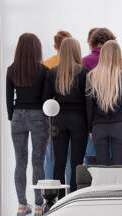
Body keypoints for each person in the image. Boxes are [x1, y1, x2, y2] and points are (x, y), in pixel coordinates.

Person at [6, 33, 49, 216]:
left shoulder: (11, 70)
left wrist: (13, 117)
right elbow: (46, 99)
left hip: (17, 116)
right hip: (38, 114)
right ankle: (39, 206)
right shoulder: (44, 70)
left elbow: (9, 99)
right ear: (36, 49)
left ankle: (22, 205)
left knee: (20, 161)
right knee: (38, 160)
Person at [43, 38, 88, 196]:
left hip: (58, 120)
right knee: (77, 163)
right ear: (76, 51)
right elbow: (88, 101)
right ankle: (74, 197)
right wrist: (89, 124)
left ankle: (60, 200)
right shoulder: (83, 72)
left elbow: (46, 101)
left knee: (59, 163)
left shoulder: (52, 72)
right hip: (79, 121)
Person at [86, 40, 122, 165]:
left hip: (98, 127)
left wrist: (90, 128)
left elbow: (89, 107)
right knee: (119, 167)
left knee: (102, 168)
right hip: (120, 125)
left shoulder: (91, 76)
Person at [82, 28, 116, 165]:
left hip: (95, 116)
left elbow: (84, 91)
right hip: (116, 114)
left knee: (91, 156)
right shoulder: (117, 60)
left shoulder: (86, 61)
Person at [43, 31, 72, 185]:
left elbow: (44, 96)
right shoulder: (77, 65)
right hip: (72, 117)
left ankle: (49, 194)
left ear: (55, 45)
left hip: (51, 118)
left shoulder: (47, 64)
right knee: (68, 159)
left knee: (50, 157)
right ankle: (69, 195)